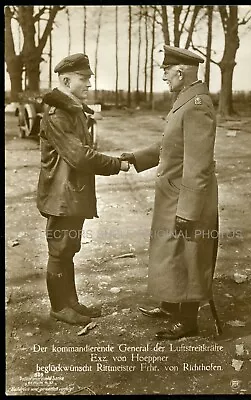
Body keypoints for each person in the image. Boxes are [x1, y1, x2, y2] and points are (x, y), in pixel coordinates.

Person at [121, 45, 218, 340]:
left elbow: (198, 164)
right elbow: (171, 147)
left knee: (188, 255)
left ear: (180, 71)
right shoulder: (184, 101)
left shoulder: (197, 105)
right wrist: (137, 157)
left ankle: (187, 322)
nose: (163, 77)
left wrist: (188, 210)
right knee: (170, 253)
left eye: (166, 71)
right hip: (173, 194)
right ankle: (169, 304)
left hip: (187, 196)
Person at [37, 53, 129, 325]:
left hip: (69, 192)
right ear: (66, 80)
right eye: (84, 79)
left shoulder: (71, 109)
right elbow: (79, 156)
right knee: (60, 250)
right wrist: (117, 164)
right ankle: (59, 307)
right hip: (60, 194)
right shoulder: (59, 113)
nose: (89, 84)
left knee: (68, 249)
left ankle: (71, 302)